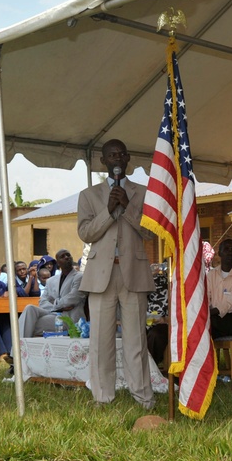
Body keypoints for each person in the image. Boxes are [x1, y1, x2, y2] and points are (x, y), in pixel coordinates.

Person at [77, 139, 155, 409]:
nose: (117, 158)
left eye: (121, 154)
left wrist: (129, 207)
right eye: (111, 155)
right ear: (103, 161)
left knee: (136, 340)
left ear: (128, 158)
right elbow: (86, 233)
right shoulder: (89, 195)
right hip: (100, 275)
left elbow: (150, 232)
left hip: (133, 271)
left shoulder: (143, 193)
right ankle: (102, 397)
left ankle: (143, 397)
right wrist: (109, 211)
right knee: (101, 342)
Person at [19, 249, 85, 338]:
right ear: (58, 262)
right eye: (62, 256)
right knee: (29, 308)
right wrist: (57, 307)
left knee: (28, 323)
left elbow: (73, 298)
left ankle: (20, 347)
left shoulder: (80, 277)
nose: (66, 257)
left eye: (68, 255)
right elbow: (42, 301)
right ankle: (21, 346)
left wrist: (55, 303)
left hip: (70, 318)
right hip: (53, 314)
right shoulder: (51, 280)